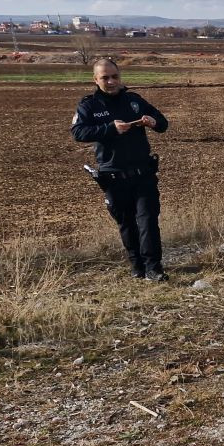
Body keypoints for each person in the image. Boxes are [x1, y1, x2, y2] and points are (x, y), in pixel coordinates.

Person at [71, 57, 170, 281]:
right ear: (95, 80)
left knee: (148, 221)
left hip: (143, 174)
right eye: (105, 78)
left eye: (114, 76)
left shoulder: (134, 101)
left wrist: (152, 122)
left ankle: (154, 268)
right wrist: (110, 128)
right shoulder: (89, 105)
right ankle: (137, 267)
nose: (111, 81)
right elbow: (78, 133)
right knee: (126, 224)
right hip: (113, 176)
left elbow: (163, 124)